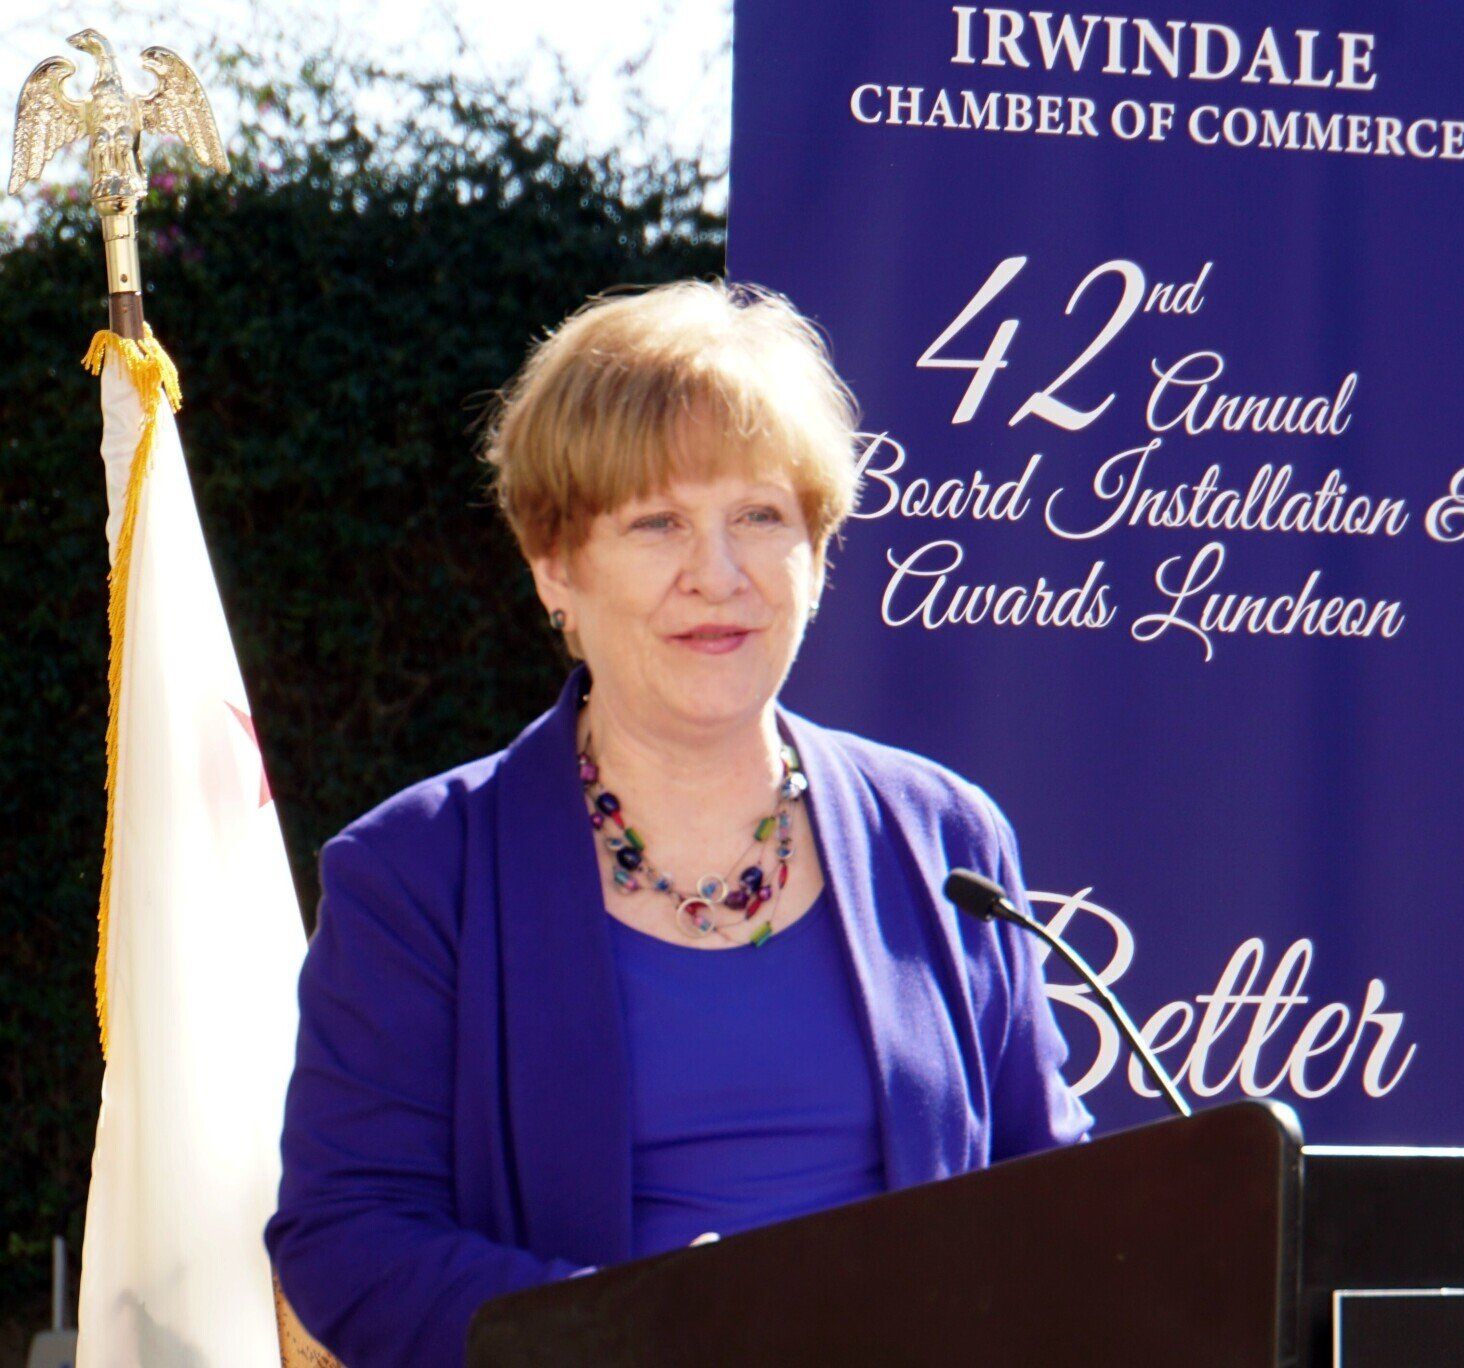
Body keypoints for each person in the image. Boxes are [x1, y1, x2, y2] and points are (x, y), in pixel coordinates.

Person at [264, 281, 1092, 1366]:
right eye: (657, 523)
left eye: (760, 517)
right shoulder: (416, 876)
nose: (719, 574)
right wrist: (642, 1330)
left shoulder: (948, 839)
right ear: (555, 566)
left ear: (817, 554)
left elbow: (1057, 1194)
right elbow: (350, 1236)